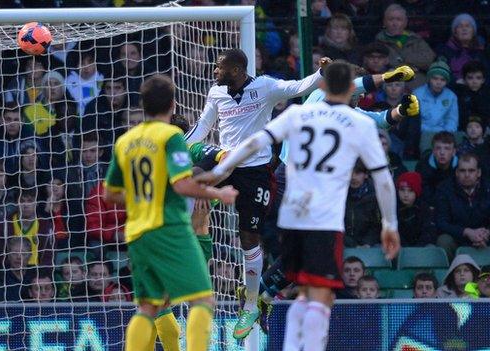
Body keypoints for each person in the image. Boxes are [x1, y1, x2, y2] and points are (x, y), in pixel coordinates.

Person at [197, 61, 400, 351]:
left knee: (304, 292)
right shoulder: (359, 124)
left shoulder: (298, 114)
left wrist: (218, 172)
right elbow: (382, 178)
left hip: (292, 217)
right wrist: (390, 225)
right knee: (321, 298)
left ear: (325, 85)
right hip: (324, 219)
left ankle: (264, 298)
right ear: (351, 90)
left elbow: (255, 142)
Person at [184, 48, 327, 340]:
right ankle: (179, 238)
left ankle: (251, 303)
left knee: (249, 237)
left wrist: (321, 73)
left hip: (254, 170)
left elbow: (298, 87)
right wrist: (176, 146)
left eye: (218, 68)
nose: (214, 72)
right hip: (225, 160)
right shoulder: (216, 93)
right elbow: (202, 126)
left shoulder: (265, 87)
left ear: (235, 70)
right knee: (193, 176)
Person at [103, 74, 237, 351]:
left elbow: (110, 194)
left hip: (138, 233)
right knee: (202, 300)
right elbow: (182, 184)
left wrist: (145, 195)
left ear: (143, 105)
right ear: (173, 105)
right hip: (169, 229)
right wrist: (218, 193)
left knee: (148, 307)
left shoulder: (125, 141)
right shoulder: (171, 136)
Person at [434, 153, 490, 257]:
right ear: (456, 172)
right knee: (443, 240)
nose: (467, 175)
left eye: (471, 170)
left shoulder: (488, 188)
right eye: (462, 170)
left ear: (479, 172)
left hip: (485, 238)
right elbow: (441, 222)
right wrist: (467, 232)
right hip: (458, 238)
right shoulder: (444, 189)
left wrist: (486, 233)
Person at [414, 60, 459, 152]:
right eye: (435, 78)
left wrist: (444, 134)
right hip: (422, 134)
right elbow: (414, 121)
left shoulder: (451, 96)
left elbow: (452, 120)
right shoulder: (417, 94)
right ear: (429, 79)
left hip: (444, 135)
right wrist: (428, 132)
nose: (438, 82)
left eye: (442, 80)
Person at [415, 131, 458, 206]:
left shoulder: (461, 167)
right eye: (438, 148)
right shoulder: (423, 166)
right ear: (433, 151)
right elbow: (424, 195)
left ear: (454, 151)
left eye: (447, 148)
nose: (442, 152)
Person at [396, 172, 436, 247]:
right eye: (402, 190)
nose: (406, 194)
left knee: (431, 247)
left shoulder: (424, 209)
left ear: (416, 192)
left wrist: (416, 249)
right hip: (400, 248)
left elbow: (428, 232)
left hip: (421, 248)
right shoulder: (393, 208)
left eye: (410, 191)